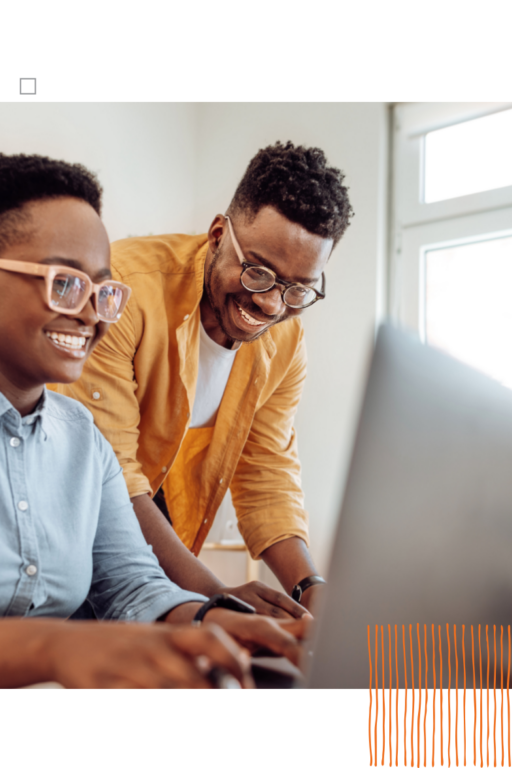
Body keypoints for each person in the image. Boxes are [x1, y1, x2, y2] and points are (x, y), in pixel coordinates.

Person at [0, 153, 309, 690]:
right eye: (64, 283)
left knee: (401, 726)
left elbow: (131, 586)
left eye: (103, 291)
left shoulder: (83, 439)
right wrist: (52, 648)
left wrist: (214, 621)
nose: (90, 312)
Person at [50, 142, 354, 619]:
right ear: (218, 235)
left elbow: (267, 473)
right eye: (258, 273)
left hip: (162, 563)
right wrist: (217, 599)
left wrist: (311, 590)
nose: (272, 305)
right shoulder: (123, 289)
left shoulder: (287, 343)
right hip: (73, 549)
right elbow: (108, 476)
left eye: (297, 289)